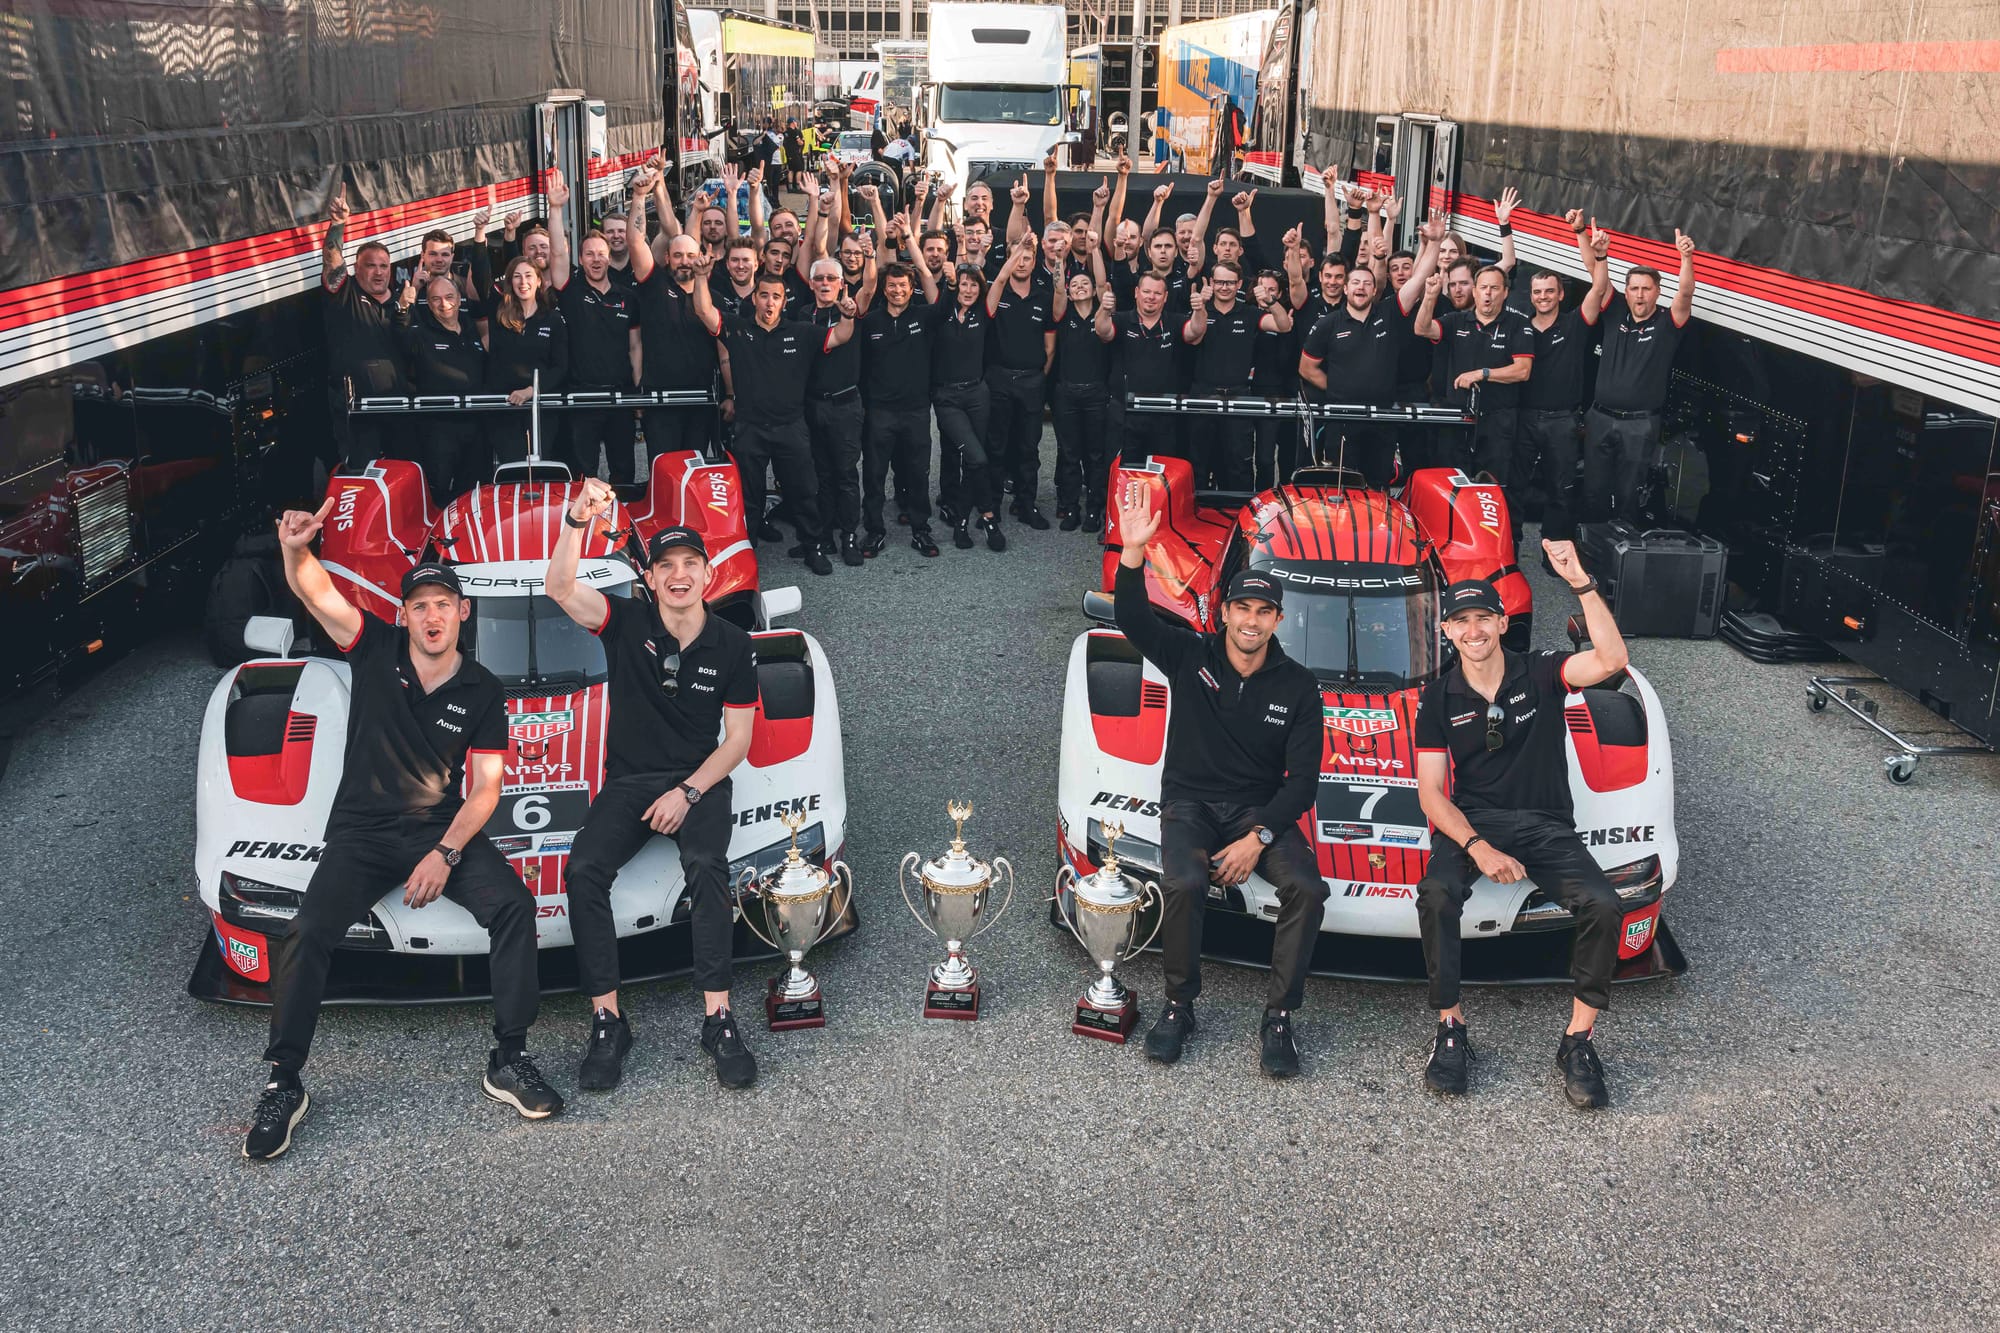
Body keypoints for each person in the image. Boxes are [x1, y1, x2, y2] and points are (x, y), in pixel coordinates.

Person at [245, 513, 557, 1159]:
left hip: (437, 829)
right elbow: (316, 592)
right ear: (406, 614)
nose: (432, 616)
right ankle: (284, 1081)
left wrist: (445, 853)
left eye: (443, 604)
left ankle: (510, 1056)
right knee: (308, 930)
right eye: (420, 606)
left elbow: (487, 789)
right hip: (362, 831)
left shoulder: (482, 688)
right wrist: (294, 548)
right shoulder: (372, 645)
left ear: (462, 612)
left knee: (514, 907)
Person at [545, 489, 762, 1091]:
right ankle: (608, 1020)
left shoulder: (733, 644)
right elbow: (560, 588)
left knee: (705, 861)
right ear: (648, 576)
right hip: (631, 781)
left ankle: (718, 1016)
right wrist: (576, 522)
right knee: (584, 869)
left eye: (691, 563)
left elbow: (737, 742)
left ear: (708, 574)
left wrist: (688, 793)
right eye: (666, 565)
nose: (679, 574)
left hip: (699, 780)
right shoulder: (627, 621)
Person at [1110, 487, 1328, 1078]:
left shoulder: (1299, 686)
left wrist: (1257, 836)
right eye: (1242, 610)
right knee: (1182, 880)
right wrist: (1134, 553)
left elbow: (1303, 783)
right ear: (1224, 612)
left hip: (1257, 811)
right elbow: (1130, 617)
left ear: (1279, 619)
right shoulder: (1190, 653)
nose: (1251, 621)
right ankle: (1180, 1003)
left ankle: (1280, 1015)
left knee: (1307, 889)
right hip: (1189, 805)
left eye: (1264, 612)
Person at [1412, 550, 1630, 1106]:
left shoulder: (1540, 670)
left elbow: (1610, 659)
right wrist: (1478, 848)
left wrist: (1580, 582)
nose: (1473, 629)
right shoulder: (1437, 698)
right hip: (1475, 822)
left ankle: (1578, 1040)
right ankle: (1451, 1029)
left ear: (1503, 622)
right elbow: (1432, 794)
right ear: (1447, 631)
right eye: (1460, 621)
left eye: (1483, 617)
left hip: (1544, 822)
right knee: (1436, 893)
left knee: (1603, 904)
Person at [689, 257, 853, 576]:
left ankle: (813, 547)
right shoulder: (737, 328)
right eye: (764, 295)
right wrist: (699, 278)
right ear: (755, 298)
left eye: (776, 296)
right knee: (749, 496)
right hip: (749, 428)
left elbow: (840, 337)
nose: (769, 301)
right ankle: (745, 553)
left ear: (784, 300)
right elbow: (703, 311)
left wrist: (847, 317)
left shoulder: (802, 332)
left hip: (791, 427)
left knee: (804, 491)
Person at [1583, 231, 1697, 524]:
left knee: (1628, 494)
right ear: (1627, 291)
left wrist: (1686, 258)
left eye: (1646, 289)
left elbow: (1685, 294)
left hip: (1639, 424)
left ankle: (1619, 560)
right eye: (1633, 288)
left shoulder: (1668, 323)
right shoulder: (1616, 311)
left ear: (1657, 292)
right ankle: (1589, 553)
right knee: (1593, 489)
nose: (1639, 295)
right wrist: (1597, 250)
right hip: (1600, 418)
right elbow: (1596, 276)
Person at [1521, 213, 1612, 550]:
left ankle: (1555, 554)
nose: (1543, 296)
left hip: (1562, 420)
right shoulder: (1520, 328)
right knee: (1515, 488)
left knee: (1561, 491)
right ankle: (1509, 550)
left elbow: (1600, 288)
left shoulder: (1576, 324)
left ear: (1561, 295)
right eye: (1537, 292)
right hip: (1525, 417)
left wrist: (1598, 253)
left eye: (1549, 291)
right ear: (1530, 296)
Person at [629, 168, 723, 477]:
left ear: (700, 257)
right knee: (664, 470)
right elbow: (635, 242)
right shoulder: (653, 285)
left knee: (695, 471)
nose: (684, 260)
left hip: (700, 398)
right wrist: (640, 197)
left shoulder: (709, 294)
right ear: (667, 259)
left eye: (690, 255)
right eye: (678, 255)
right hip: (660, 399)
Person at [1414, 263, 1536, 483]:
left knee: (1492, 484)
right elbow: (1422, 329)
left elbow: (1523, 371)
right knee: (1453, 481)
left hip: (1497, 420)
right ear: (1475, 291)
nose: (1487, 293)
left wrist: (1482, 373)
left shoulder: (1518, 324)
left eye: (1494, 288)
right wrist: (1430, 296)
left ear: (1506, 292)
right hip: (1458, 417)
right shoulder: (1456, 320)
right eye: (1483, 287)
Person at [859, 259, 942, 557]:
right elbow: (861, 367)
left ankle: (921, 530)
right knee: (874, 474)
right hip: (879, 411)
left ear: (912, 289)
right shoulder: (869, 322)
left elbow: (941, 301)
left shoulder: (925, 317)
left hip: (916, 410)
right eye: (892, 285)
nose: (897, 291)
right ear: (884, 288)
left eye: (903, 286)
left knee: (918, 473)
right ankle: (874, 530)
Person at [1183, 262, 1290, 490]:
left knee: (1238, 465)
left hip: (1239, 397)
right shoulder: (1201, 310)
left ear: (1239, 284)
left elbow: (1283, 325)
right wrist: (1199, 307)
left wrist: (1271, 302)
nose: (1224, 287)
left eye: (1230, 282)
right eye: (1220, 282)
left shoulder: (1250, 313)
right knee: (1199, 464)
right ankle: (1197, 519)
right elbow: (1192, 337)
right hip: (1203, 396)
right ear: (1211, 283)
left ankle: (1236, 518)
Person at [319, 186, 406, 467]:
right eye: (371, 266)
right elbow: (332, 261)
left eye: (384, 266)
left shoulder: (402, 303)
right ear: (357, 269)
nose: (379, 271)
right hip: (356, 410)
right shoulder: (346, 294)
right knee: (361, 477)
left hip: (398, 410)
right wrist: (338, 224)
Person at [555, 223, 642, 483]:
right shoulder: (571, 292)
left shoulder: (628, 297)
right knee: (583, 474)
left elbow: (635, 346)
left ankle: (621, 522)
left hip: (620, 396)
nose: (596, 259)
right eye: (589, 254)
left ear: (609, 257)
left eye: (601, 254)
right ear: (580, 259)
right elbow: (558, 255)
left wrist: (637, 392)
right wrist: (556, 208)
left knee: (624, 472)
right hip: (583, 396)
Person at [804, 254, 877, 566]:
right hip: (811, 405)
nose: (824, 283)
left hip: (845, 405)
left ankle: (849, 536)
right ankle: (823, 536)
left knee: (846, 474)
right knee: (819, 475)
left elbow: (871, 285)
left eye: (831, 279)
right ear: (810, 283)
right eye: (819, 278)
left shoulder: (851, 309)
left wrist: (871, 255)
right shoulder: (800, 314)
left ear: (842, 284)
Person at [931, 261, 1006, 551]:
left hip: (977, 395)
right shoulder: (940, 313)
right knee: (977, 458)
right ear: (955, 286)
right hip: (947, 398)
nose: (969, 289)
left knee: (974, 460)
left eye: (974, 284)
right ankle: (989, 517)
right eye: (964, 283)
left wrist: (1022, 250)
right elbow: (928, 279)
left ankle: (961, 521)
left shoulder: (983, 312)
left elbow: (1000, 281)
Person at [985, 232, 1055, 530]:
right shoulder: (997, 293)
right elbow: (998, 283)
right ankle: (990, 509)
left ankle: (1026, 504)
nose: (1022, 263)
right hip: (999, 379)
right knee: (996, 447)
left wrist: (1038, 377)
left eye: (1027, 257)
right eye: (1017, 257)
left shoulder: (1044, 297)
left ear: (1035, 261)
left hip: (1031, 382)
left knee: (1029, 448)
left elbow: (1050, 347)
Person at [396, 274, 487, 501]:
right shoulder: (421, 334)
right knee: (438, 492)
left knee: (474, 492)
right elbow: (400, 336)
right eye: (436, 299)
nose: (444, 304)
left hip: (476, 427)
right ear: (428, 302)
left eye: (449, 297)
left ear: (458, 299)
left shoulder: (471, 329)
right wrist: (403, 308)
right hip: (439, 430)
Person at [484, 255, 568, 465]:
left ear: (539, 280)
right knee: (512, 469)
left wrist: (532, 391)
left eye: (529, 276)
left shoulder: (553, 319)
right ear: (509, 282)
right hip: (505, 409)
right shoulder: (499, 316)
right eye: (517, 277)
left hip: (541, 409)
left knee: (540, 471)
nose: (523, 282)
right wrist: (480, 233)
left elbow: (560, 367)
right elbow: (481, 275)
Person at [1095, 272, 1184, 465]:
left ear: (1166, 297)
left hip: (1164, 413)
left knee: (1161, 469)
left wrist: (1200, 310)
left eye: (1157, 293)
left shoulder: (1175, 321)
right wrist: (1104, 308)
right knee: (1121, 468)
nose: (1151, 297)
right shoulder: (1121, 319)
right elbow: (1103, 331)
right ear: (1136, 292)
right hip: (1125, 412)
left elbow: (1196, 332)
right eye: (1146, 291)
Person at [1049, 267, 1112, 531]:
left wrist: (1096, 250)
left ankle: (1094, 509)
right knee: (1071, 453)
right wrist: (1060, 268)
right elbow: (1058, 291)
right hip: (1067, 394)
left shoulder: (1103, 316)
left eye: (1084, 283)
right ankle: (1071, 506)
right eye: (1074, 284)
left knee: (1095, 455)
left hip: (1096, 393)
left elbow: (1101, 281)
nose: (1079, 287)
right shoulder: (1063, 316)